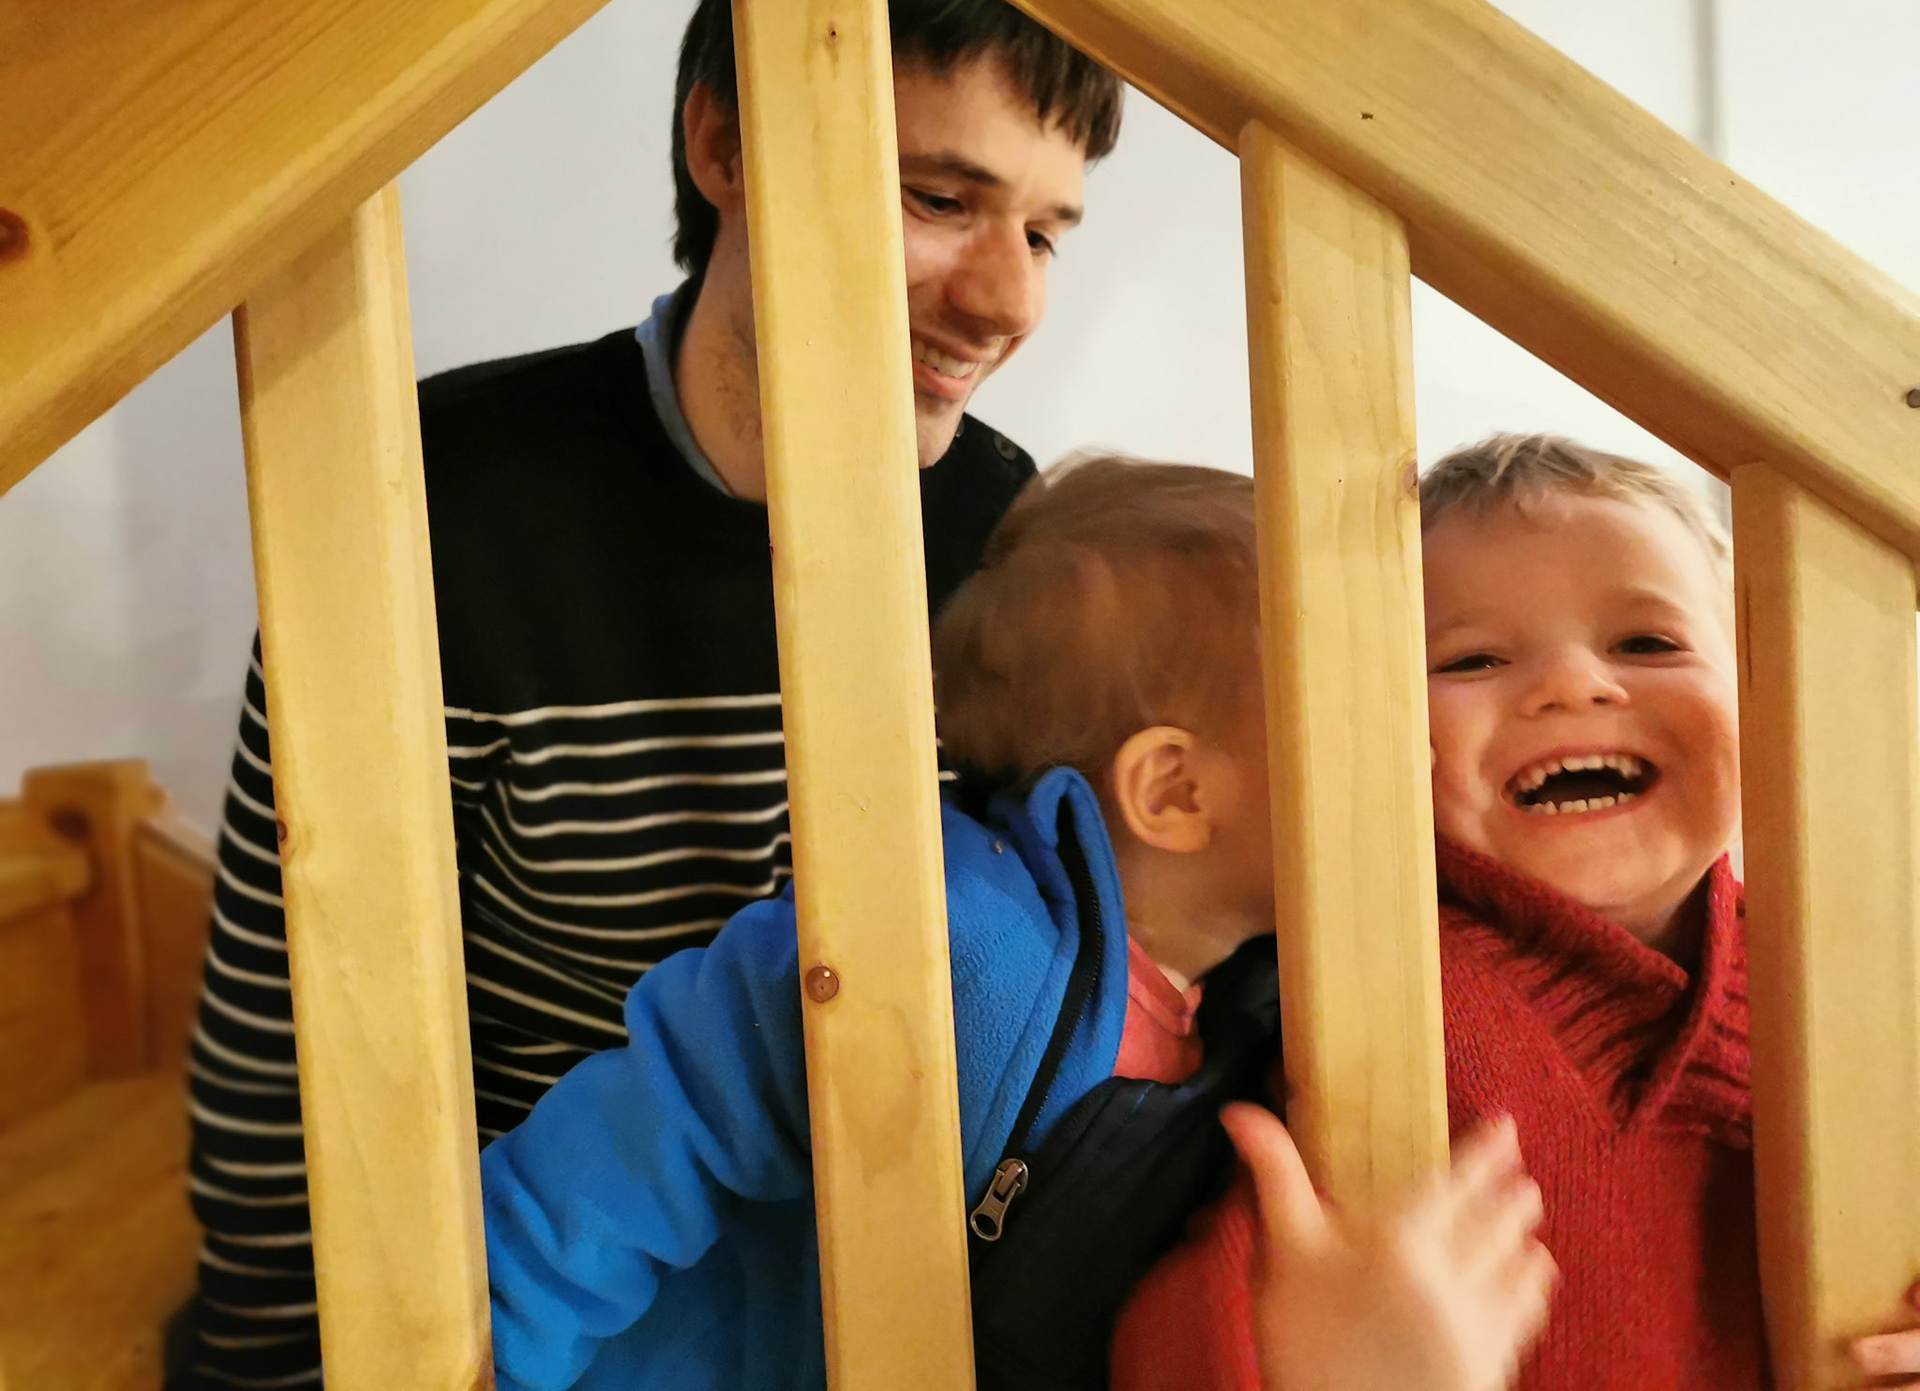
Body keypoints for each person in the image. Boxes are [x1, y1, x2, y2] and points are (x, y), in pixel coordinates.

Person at [174, 0, 1123, 1385]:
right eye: (939, 198)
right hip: (517, 1307)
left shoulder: (1003, 533)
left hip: (860, 1313)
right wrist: (277, 1369)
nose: (1010, 300)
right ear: (723, 145)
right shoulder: (435, 501)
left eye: (1046, 233)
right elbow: (287, 1034)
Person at [480, 456, 1553, 1391]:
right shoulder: (937, 950)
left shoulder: (1248, 1003)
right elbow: (624, 1161)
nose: (1420, 743)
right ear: (1175, 792)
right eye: (1362, 715)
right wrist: (485, 1356)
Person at [1110, 433, 1920, 1390]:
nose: (1572, 684)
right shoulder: (1387, 983)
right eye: (1473, 659)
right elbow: (1185, 1312)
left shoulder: (1857, 980)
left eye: (1648, 643)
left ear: (1762, 690)